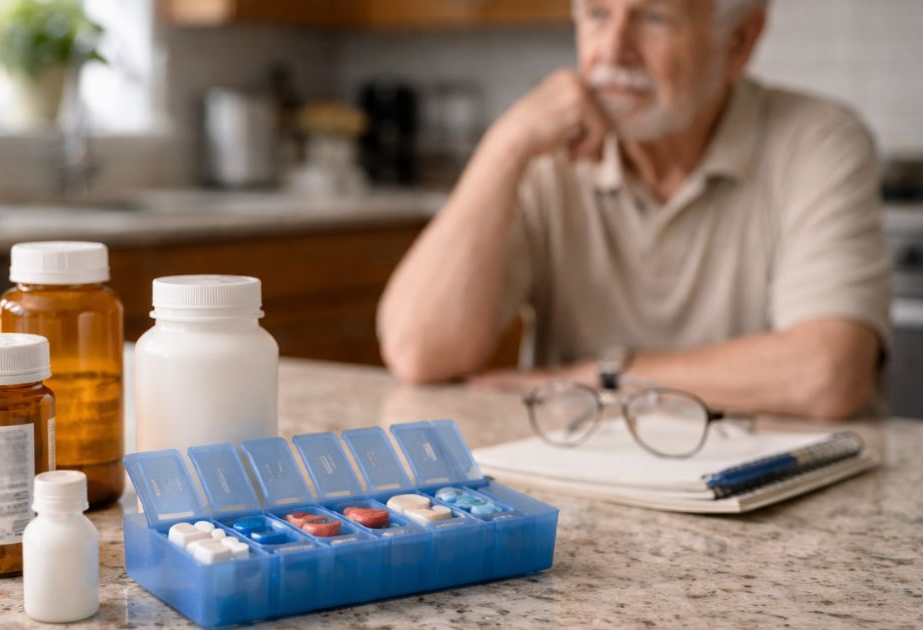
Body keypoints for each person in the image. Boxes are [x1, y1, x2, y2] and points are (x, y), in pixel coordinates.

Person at [376, 0, 890, 420]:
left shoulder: (818, 139)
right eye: (598, 14)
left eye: (653, 18)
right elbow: (418, 351)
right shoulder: (546, 149)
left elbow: (827, 373)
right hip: (581, 479)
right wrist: (504, 147)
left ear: (739, 42)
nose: (613, 51)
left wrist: (598, 378)